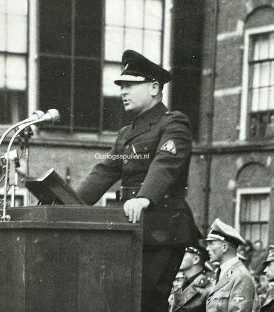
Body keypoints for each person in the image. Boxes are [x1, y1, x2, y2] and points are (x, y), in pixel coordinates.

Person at [76, 50, 202, 312]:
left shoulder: (174, 123)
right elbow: (104, 172)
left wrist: (145, 196)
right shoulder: (126, 133)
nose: (123, 91)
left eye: (130, 85)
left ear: (155, 87)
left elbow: (166, 163)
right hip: (131, 229)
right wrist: (67, 203)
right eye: (122, 85)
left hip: (162, 229)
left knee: (147, 303)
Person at [205, 218, 256, 312]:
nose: (207, 248)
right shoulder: (221, 273)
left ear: (224, 247)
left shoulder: (241, 276)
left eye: (211, 243)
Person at [169, 246, 212, 312]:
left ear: (196, 259)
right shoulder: (178, 284)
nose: (178, 258)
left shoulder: (208, 287)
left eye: (183, 255)